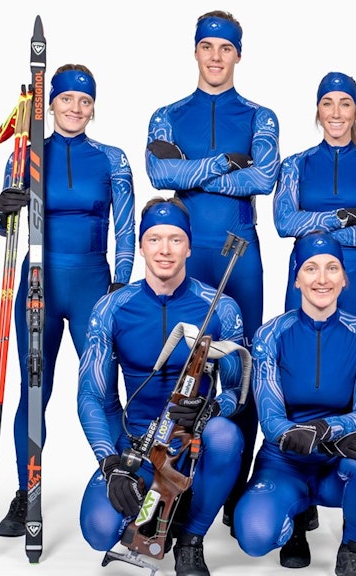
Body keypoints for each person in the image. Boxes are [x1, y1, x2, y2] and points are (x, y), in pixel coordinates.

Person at [144, 10, 280, 528]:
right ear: (195, 51)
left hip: (237, 254)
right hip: (182, 248)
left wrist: (193, 168)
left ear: (238, 54)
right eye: (208, 47)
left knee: (236, 365)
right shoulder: (168, 113)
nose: (216, 56)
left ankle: (232, 486)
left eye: (226, 48)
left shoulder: (260, 117)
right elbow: (158, 170)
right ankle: (170, 475)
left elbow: (264, 175)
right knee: (181, 362)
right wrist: (228, 163)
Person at [0, 63, 136, 537]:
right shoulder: (26, 154)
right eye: (67, 99)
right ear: (49, 102)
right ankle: (24, 491)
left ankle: (125, 482)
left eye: (86, 101)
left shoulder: (112, 159)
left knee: (101, 389)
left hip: (94, 285)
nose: (76, 108)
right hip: (38, 286)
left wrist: (122, 281)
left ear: (94, 108)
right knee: (35, 392)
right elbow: (5, 228)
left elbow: (126, 226)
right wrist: (2, 209)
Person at [76, 197, 248, 576]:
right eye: (154, 239)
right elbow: (92, 396)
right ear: (141, 245)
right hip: (136, 442)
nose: (165, 250)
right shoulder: (111, 307)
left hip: (195, 442)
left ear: (189, 246)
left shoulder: (221, 307)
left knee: (225, 437)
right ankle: (156, 511)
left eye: (175, 239)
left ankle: (191, 537)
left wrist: (212, 409)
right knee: (99, 531)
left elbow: (237, 392)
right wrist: (110, 463)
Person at [234, 233, 356, 576]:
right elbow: (271, 420)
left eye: (332, 268)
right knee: (254, 537)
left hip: (338, 461)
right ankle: (294, 520)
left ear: (344, 278)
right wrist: (310, 433)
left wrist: (326, 430)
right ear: (297, 278)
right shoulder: (270, 334)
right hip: (284, 462)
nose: (322, 278)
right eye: (311, 268)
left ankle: (353, 546)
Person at [273, 71, 356, 327]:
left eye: (345, 103)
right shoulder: (294, 165)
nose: (336, 113)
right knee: (302, 353)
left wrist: (313, 230)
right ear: (318, 110)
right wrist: (345, 218)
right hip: (306, 271)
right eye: (327, 103)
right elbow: (284, 223)